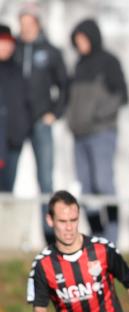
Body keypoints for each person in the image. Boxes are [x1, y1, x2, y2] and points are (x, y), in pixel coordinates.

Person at [67, 18, 128, 241]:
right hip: (79, 134)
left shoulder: (109, 62)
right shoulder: (79, 65)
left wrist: (98, 115)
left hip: (102, 132)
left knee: (104, 184)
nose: (80, 44)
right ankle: (97, 235)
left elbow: (121, 95)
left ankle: (113, 236)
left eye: (83, 39)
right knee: (87, 188)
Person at [15, 4, 68, 196]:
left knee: (45, 179)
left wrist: (55, 113)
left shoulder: (51, 51)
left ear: (38, 24)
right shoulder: (12, 49)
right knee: (7, 178)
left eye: (30, 23)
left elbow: (64, 86)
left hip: (41, 120)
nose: (26, 27)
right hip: (16, 121)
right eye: (23, 23)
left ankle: (48, 225)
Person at [0, 23, 30, 192]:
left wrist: (22, 129)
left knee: (7, 189)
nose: (6, 47)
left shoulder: (18, 71)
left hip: (13, 140)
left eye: (8, 43)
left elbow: (25, 102)